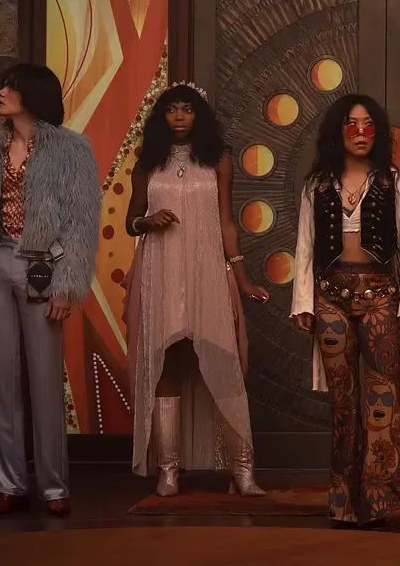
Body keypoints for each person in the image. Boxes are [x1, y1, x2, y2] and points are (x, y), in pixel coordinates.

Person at [0, 64, 100, 516]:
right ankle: (9, 484)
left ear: (31, 95)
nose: (0, 92)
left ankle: (55, 488)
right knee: (2, 380)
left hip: (43, 266)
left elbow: (82, 223)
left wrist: (68, 284)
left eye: (9, 87)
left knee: (44, 378)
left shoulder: (72, 149)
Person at [124, 82, 269, 498]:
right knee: (167, 360)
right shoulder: (147, 162)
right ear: (161, 117)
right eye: (172, 109)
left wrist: (242, 279)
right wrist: (147, 222)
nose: (179, 116)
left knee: (222, 360)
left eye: (187, 109)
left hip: (207, 270)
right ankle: (169, 471)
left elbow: (227, 223)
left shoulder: (218, 160)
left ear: (199, 115)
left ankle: (242, 471)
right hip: (162, 270)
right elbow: (131, 221)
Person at [290, 94, 400, 531]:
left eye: (369, 124)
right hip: (330, 297)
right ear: (338, 131)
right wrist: (303, 301)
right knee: (343, 402)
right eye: (352, 123)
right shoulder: (317, 185)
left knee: (384, 398)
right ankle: (345, 505)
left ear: (378, 132)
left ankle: (385, 501)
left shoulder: (393, 181)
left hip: (381, 295)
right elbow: (305, 246)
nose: (361, 131)